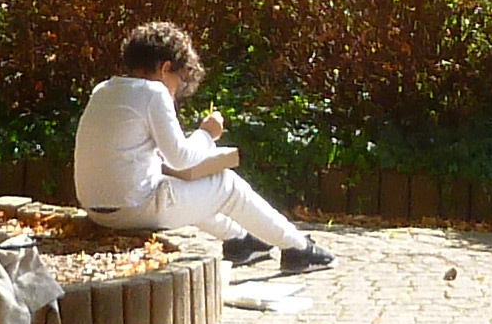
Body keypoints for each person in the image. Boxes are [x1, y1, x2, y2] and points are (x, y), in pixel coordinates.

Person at [73, 21, 331, 276]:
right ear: (165, 69)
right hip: (132, 209)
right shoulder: (154, 92)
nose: (177, 92)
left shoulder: (103, 89)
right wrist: (208, 133)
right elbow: (181, 159)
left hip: (97, 210)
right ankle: (298, 249)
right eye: (180, 81)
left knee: (185, 191)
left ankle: (241, 241)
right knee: (225, 184)